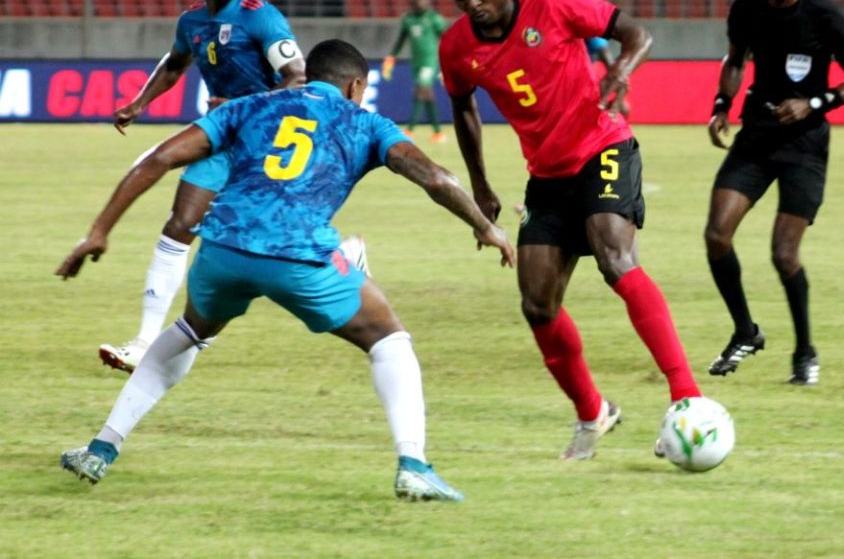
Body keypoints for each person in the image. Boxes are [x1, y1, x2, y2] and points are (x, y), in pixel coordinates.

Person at [56, 39, 515, 501]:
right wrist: (485, 227)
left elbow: (158, 157)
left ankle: (101, 447)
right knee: (388, 339)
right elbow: (437, 178)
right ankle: (413, 464)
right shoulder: (366, 122)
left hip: (222, 250)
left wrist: (98, 231)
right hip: (298, 255)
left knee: (190, 331)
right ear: (356, 86)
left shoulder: (250, 106)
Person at [439, 0, 702, 461]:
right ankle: (592, 412)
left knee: (615, 258)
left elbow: (637, 33)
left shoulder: (554, 0)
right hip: (548, 175)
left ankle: (687, 397)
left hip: (603, 145)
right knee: (537, 302)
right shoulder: (456, 47)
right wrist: (481, 185)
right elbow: (462, 108)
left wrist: (621, 70)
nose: (472, 3)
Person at [100, 0, 367, 374]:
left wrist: (244, 105)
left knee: (272, 234)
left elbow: (297, 76)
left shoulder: (261, 18)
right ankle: (145, 341)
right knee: (180, 225)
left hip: (266, 140)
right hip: (224, 137)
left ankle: (343, 254)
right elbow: (175, 63)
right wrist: (140, 102)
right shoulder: (191, 21)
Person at [704, 0, 844, 385]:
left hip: (805, 146)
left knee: (783, 255)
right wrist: (721, 105)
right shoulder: (746, 9)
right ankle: (745, 331)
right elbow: (735, 60)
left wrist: (814, 103)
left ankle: (804, 350)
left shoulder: (826, 16)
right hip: (757, 137)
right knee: (717, 235)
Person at [381, 0, 448, 142]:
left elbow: (446, 40)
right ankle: (438, 133)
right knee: (427, 95)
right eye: (417, 0)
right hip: (416, 63)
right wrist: (391, 56)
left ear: (428, 2)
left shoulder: (434, 19)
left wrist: (447, 62)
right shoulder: (408, 20)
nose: (420, 3)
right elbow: (401, 39)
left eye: (422, 0)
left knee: (420, 90)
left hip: (430, 62)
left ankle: (409, 130)